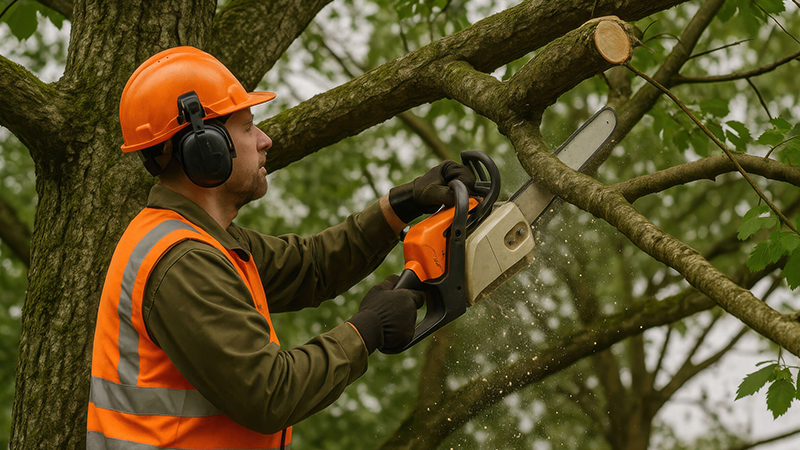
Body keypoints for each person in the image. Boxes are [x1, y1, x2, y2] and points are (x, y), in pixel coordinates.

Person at [87, 46, 476, 449]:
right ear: (206, 149)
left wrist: (402, 205)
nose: (265, 140)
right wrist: (365, 331)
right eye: (248, 127)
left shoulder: (206, 238)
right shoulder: (184, 261)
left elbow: (311, 267)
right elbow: (268, 392)